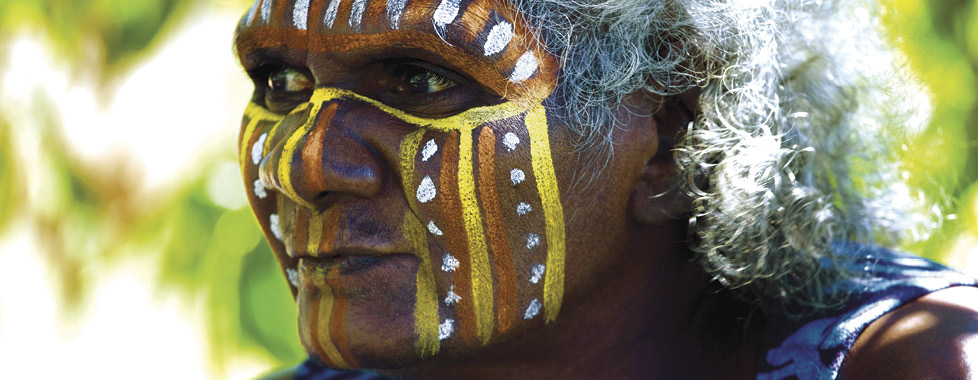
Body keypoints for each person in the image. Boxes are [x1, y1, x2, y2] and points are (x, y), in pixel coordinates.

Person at [232, 0, 978, 378]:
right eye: (281, 81)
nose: (302, 165)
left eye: (422, 78)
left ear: (670, 138)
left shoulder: (919, 365)